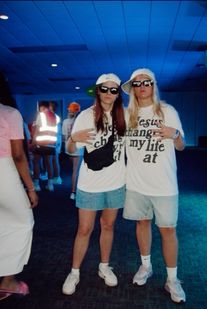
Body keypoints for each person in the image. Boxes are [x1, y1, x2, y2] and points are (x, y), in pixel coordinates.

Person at [121, 68, 186, 303]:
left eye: (146, 82)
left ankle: (172, 280)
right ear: (133, 90)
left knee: (168, 230)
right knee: (142, 223)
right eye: (137, 84)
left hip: (164, 185)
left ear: (153, 85)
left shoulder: (167, 111)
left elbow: (181, 146)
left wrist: (175, 133)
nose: (142, 86)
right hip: (137, 184)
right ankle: (146, 266)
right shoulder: (128, 115)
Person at [62, 73, 126, 295]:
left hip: (116, 182)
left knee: (108, 226)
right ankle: (75, 272)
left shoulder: (124, 116)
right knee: (84, 229)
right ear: (98, 91)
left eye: (114, 89)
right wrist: (72, 140)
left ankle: (104, 266)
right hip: (89, 184)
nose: (109, 93)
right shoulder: (85, 116)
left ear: (118, 93)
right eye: (105, 89)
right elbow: (71, 151)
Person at [0, 100, 38, 301]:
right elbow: (18, 155)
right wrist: (30, 188)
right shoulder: (9, 113)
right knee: (23, 223)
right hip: (3, 170)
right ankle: (8, 281)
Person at [32, 101, 60, 192]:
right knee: (49, 163)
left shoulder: (41, 115)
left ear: (43, 107)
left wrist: (33, 142)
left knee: (36, 162)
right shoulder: (56, 117)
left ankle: (36, 185)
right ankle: (50, 185)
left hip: (40, 143)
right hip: (51, 144)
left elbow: (37, 131)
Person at [62, 102, 83, 200]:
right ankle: (73, 192)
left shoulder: (65, 121)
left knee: (73, 170)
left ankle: (74, 190)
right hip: (78, 148)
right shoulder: (81, 121)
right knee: (76, 171)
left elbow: (63, 137)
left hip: (68, 147)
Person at [49, 101, 62, 185]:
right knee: (52, 160)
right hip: (53, 141)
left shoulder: (54, 117)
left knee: (54, 160)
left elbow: (54, 131)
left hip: (54, 141)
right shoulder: (53, 116)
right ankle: (55, 177)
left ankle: (57, 178)